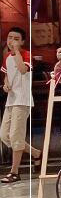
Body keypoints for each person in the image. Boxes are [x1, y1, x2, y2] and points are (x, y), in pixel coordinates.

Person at [1, 25, 40, 183]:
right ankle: (36, 153)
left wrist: (17, 51)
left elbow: (23, 70)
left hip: (22, 101)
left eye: (16, 39)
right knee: (4, 135)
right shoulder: (7, 57)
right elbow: (7, 75)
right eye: (10, 38)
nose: (12, 41)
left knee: (16, 136)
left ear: (22, 42)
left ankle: (14, 172)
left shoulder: (26, 54)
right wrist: (6, 84)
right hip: (11, 100)